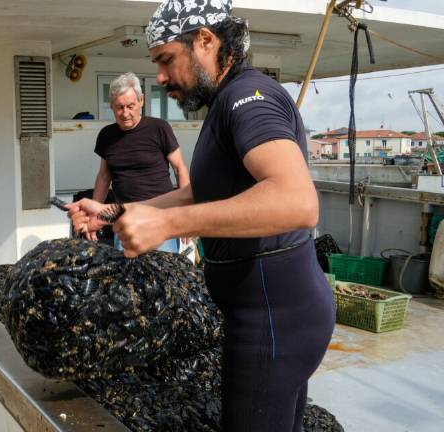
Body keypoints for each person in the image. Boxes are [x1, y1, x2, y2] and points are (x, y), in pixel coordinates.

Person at [67, 1, 335, 430]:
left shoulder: (249, 98)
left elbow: (297, 202)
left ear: (206, 42)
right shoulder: (226, 100)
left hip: (273, 318)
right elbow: (197, 193)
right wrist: (112, 212)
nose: (159, 76)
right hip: (268, 312)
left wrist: (169, 225)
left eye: (166, 59)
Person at [87, 72, 189, 252]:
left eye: (130, 106)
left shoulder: (159, 128)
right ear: (111, 106)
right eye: (119, 107)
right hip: (124, 219)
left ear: (141, 101)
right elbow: (104, 177)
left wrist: (186, 214)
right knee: (128, 278)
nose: (125, 113)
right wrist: (94, 213)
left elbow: (179, 168)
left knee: (162, 276)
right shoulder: (106, 136)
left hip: (159, 217)